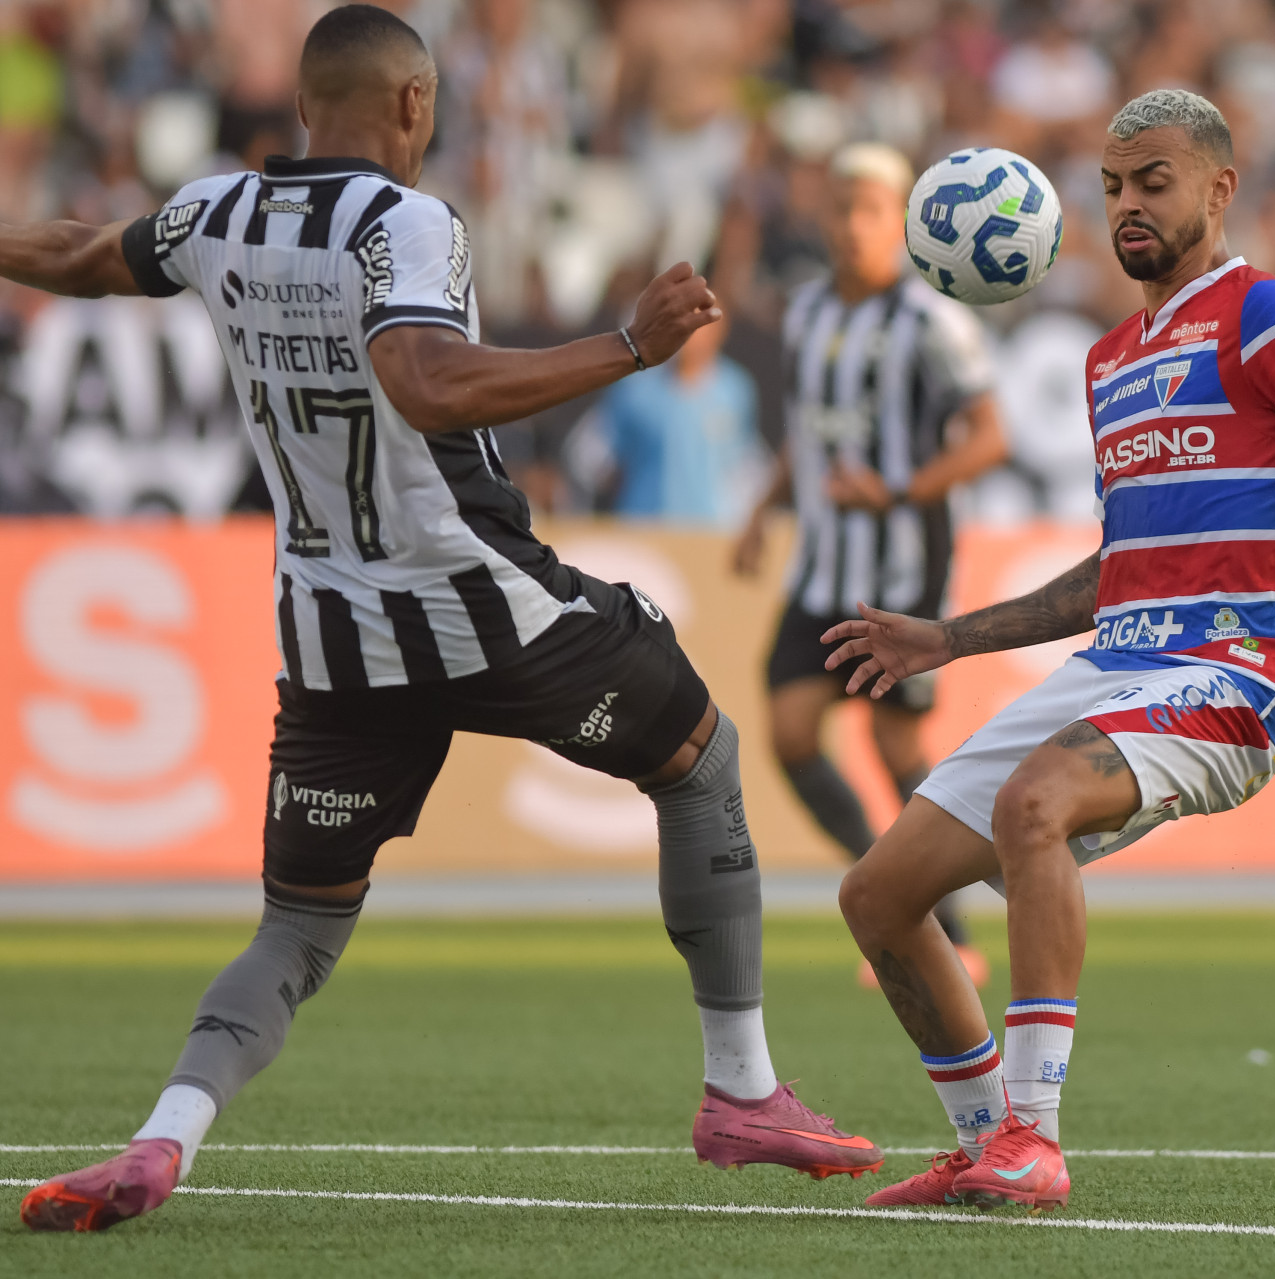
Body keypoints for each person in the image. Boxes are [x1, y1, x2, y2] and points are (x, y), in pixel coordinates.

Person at [2, 6, 879, 1234]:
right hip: (484, 606)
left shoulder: (213, 215)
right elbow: (423, 381)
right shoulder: (408, 224)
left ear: (307, 103)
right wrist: (627, 343)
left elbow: (83, 252)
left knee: (300, 927)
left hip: (330, 635)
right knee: (702, 759)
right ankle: (741, 1091)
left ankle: (160, 1140)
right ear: (413, 106)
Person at [829, 89, 1275, 1212]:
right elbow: (1115, 569)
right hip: (1118, 667)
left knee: (1033, 804)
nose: (1129, 205)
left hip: (1235, 670)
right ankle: (984, 1136)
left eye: (1155, 181)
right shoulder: (1110, 361)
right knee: (878, 896)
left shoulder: (1265, 314)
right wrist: (948, 638)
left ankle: (1033, 1140)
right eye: (1113, 187)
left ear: (1220, 188)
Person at [732, 142, 1008, 987]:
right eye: (841, 208)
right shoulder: (809, 310)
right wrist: (762, 508)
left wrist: (896, 491)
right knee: (786, 732)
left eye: (870, 211)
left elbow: (991, 438)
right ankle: (896, 889)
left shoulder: (934, 320)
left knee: (895, 748)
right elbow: (815, 433)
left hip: (901, 566)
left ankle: (949, 927)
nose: (853, 225)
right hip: (821, 567)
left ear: (899, 224)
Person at [581, 312, 763, 524]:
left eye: (701, 325)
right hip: (643, 524)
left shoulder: (734, 389)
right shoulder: (634, 388)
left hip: (711, 529)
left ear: (719, 331)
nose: (691, 334)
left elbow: (745, 462)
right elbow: (593, 456)